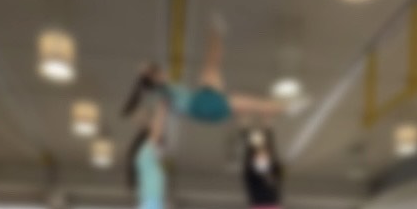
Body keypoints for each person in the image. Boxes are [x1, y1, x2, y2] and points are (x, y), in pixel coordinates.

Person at [122, 16, 307, 124]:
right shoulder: (164, 90)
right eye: (159, 72)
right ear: (155, 78)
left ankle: (217, 31)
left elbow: (149, 93)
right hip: (203, 104)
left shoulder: (165, 92)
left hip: (203, 106)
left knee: (213, 68)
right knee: (216, 70)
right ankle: (287, 108)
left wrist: (144, 79)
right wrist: (144, 71)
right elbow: (149, 80)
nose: (164, 73)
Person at [127, 101, 170, 209]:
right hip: (151, 207)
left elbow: (154, 133)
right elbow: (156, 131)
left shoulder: (147, 160)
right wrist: (162, 109)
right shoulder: (145, 153)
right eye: (160, 145)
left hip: (147, 208)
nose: (161, 149)